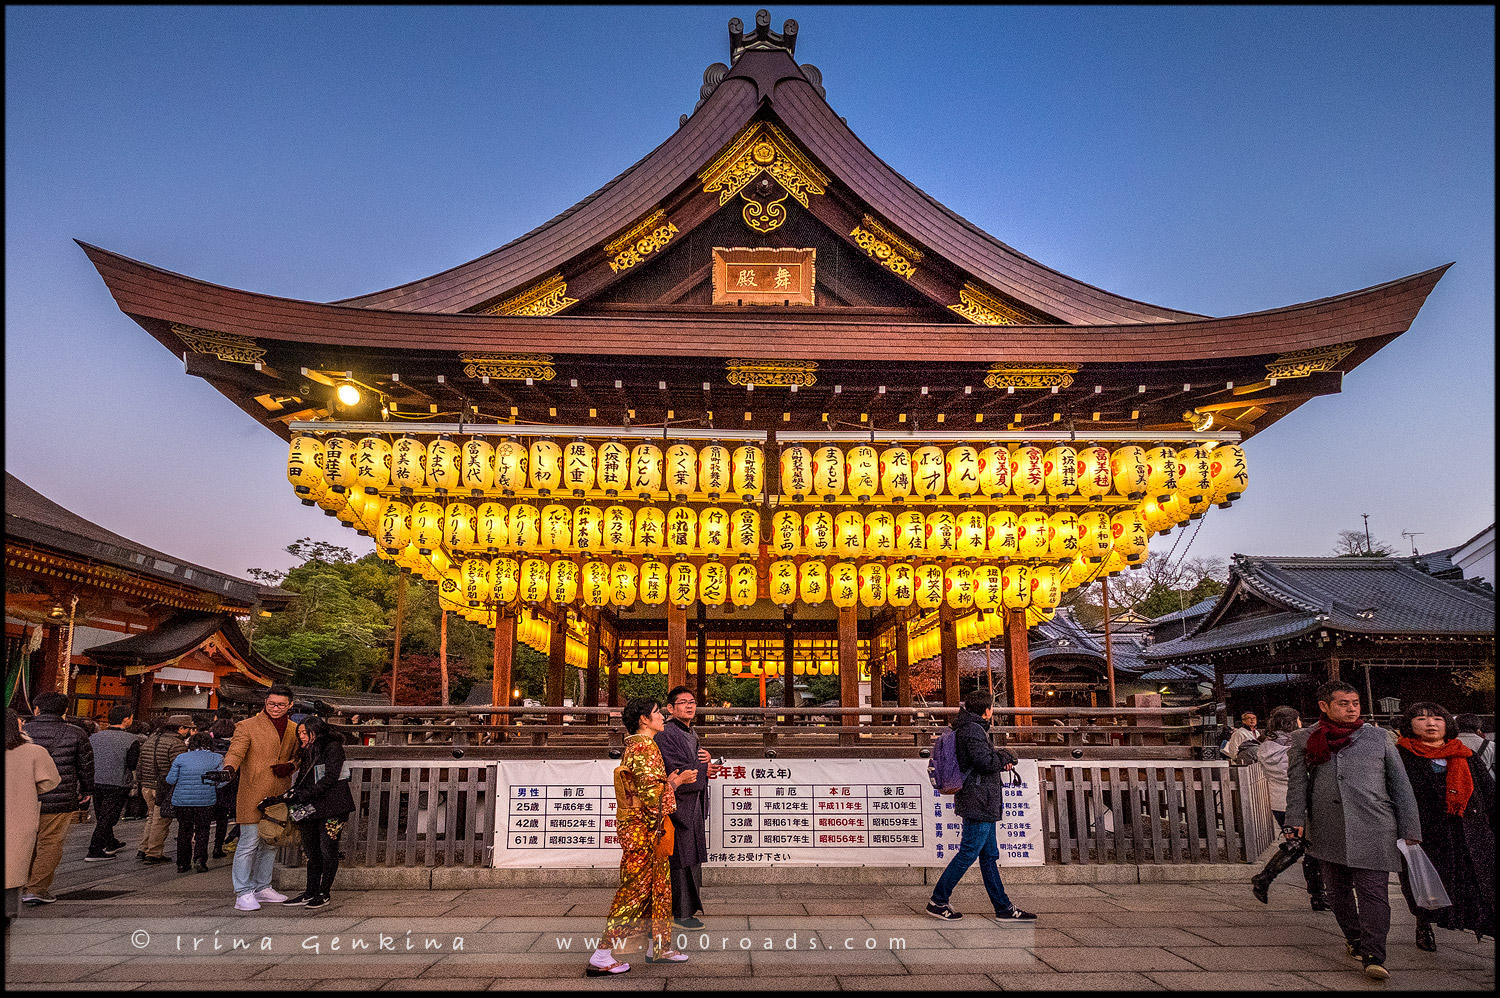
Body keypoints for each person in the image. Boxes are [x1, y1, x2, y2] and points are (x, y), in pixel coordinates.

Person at [1286, 680, 1421, 981]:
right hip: (1327, 825)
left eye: (1355, 703)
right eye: (1343, 703)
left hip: (1374, 823)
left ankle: (1375, 953)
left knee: (1374, 891)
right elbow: (1298, 785)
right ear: (1324, 706)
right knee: (1337, 892)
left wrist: (1410, 827)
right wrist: (1294, 820)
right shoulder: (1305, 738)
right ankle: (1355, 937)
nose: (1351, 709)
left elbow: (1400, 785)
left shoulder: (1379, 737)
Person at [586, 698, 696, 977]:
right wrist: (677, 783)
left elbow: (649, 789)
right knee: (635, 891)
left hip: (646, 828)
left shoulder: (637, 745)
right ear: (644, 720)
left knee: (658, 887)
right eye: (658, 713)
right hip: (644, 830)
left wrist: (668, 783)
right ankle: (601, 955)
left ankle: (658, 946)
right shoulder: (645, 747)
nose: (662, 717)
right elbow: (653, 797)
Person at [926, 690, 1037, 923]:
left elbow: (982, 761)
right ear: (986, 710)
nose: (992, 711)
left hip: (980, 798)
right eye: (992, 707)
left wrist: (999, 760)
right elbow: (984, 762)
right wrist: (1005, 757)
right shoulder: (973, 731)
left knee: (988, 856)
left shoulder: (967, 728)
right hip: (979, 799)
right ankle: (938, 900)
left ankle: (1003, 907)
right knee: (968, 853)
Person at [1393, 702, 1494, 951]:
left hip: (1467, 830)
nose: (1431, 724)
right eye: (1422, 719)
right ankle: (1423, 922)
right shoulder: (1401, 756)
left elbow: (1488, 793)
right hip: (1425, 834)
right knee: (1424, 883)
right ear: (1409, 725)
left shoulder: (1464, 755)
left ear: (1447, 724)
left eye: (1437, 719)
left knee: (1478, 881)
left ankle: (1480, 922)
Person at [221, 684, 301, 911]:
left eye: (281, 704)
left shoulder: (294, 728)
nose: (276, 708)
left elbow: (299, 756)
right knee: (248, 842)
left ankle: (262, 886)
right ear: (264, 703)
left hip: (279, 791)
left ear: (290, 705)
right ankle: (243, 891)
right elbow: (236, 751)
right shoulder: (247, 726)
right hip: (253, 790)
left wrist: (291, 766)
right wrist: (229, 768)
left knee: (271, 841)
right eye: (271, 704)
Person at [1248, 706, 1329, 910]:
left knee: (1304, 846)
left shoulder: (1268, 746)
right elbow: (1296, 774)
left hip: (1279, 800)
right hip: (1295, 801)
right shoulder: (1292, 747)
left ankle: (1318, 895)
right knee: (1302, 846)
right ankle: (1266, 877)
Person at [21, 693, 93, 905]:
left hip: (24, 796)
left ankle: (20, 881)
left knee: (25, 841)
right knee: (50, 841)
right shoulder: (76, 733)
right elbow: (86, 766)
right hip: (60, 794)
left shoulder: (22, 731)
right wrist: (87, 790)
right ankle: (37, 888)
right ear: (64, 711)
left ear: (36, 709)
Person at [280, 715, 355, 909]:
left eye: (305, 733)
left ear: (317, 731)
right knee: (311, 850)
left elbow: (331, 777)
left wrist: (304, 794)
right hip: (310, 807)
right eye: (300, 734)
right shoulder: (306, 751)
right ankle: (310, 890)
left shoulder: (333, 747)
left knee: (328, 848)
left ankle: (324, 891)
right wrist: (295, 792)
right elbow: (303, 777)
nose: (302, 737)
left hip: (333, 806)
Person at [656, 685, 712, 930]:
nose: (689, 706)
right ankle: (678, 912)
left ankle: (685, 910)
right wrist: (703, 770)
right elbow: (675, 769)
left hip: (692, 803)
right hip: (679, 804)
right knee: (679, 858)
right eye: (683, 702)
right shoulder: (666, 733)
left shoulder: (690, 731)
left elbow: (694, 762)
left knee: (691, 858)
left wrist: (707, 761)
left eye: (692, 702)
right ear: (670, 708)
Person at [7, 708, 61, 924]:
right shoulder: (34, 752)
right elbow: (50, 781)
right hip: (19, 817)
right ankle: (8, 913)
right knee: (12, 867)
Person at [84, 704, 138, 862]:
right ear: (126, 719)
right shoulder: (131, 739)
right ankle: (94, 849)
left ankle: (110, 842)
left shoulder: (94, 737)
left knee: (102, 813)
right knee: (108, 816)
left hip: (96, 779)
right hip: (117, 781)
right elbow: (132, 764)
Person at [134, 715, 191, 865]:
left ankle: (143, 848)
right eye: (187, 728)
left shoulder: (150, 740)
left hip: (146, 785)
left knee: (151, 817)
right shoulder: (176, 744)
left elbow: (139, 765)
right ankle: (154, 852)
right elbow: (180, 767)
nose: (188, 732)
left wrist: (141, 781)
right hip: (163, 787)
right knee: (161, 820)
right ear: (180, 728)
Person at [165, 731, 224, 874]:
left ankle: (182, 863)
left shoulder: (181, 758)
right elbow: (222, 779)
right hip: (205, 800)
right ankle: (200, 860)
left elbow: (170, 780)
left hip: (182, 800)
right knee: (203, 830)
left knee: (184, 831)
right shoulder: (217, 758)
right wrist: (212, 786)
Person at [208, 716, 237, 857]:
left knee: (204, 820)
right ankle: (217, 847)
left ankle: (199, 849)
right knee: (222, 819)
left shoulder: (209, 745)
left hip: (208, 786)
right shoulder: (234, 747)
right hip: (228, 788)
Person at [1454, 713, 1494, 779]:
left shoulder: (1448, 744)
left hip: (1458, 782)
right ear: (1478, 726)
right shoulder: (1491, 745)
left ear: (1456, 725)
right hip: (1483, 783)